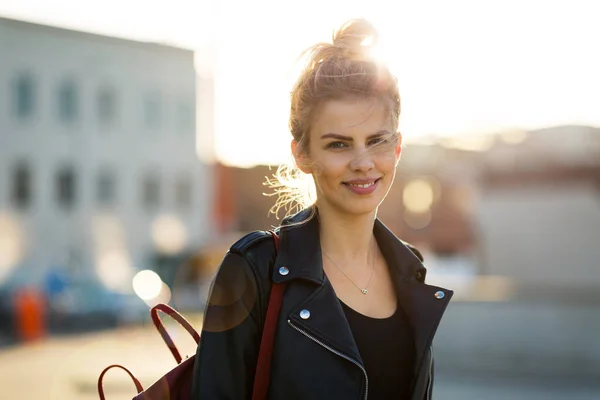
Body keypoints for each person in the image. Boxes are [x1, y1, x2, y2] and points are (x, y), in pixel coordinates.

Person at [191, 18, 453, 400]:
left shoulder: (410, 269)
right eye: (338, 144)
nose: (363, 162)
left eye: (376, 141)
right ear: (302, 154)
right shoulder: (254, 269)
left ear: (397, 148)